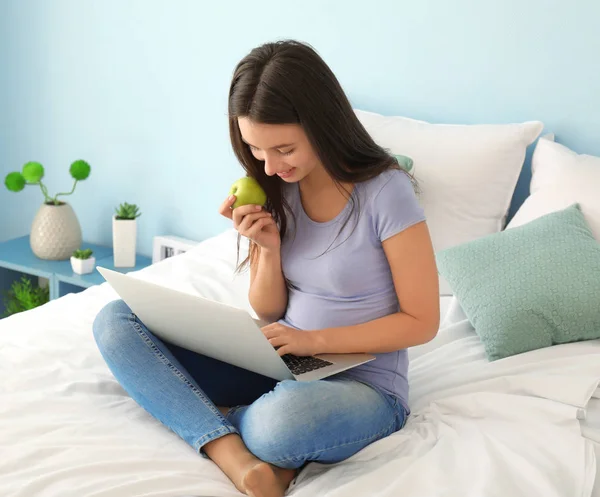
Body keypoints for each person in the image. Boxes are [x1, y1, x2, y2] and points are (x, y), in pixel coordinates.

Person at [92, 39, 440, 497]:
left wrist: (312, 340)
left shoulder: (386, 190)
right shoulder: (275, 187)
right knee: (116, 321)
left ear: (323, 124)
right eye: (256, 150)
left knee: (282, 424)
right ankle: (233, 453)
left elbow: (423, 322)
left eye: (284, 149)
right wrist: (267, 248)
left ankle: (206, 417)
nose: (271, 166)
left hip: (364, 384)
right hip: (281, 361)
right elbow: (268, 309)